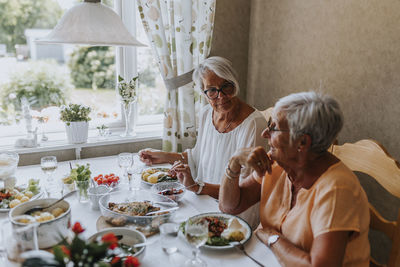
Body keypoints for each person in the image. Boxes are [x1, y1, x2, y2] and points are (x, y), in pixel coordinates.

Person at [219, 92, 370, 266]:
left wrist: (272, 238)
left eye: (274, 128)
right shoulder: (277, 163)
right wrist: (234, 162)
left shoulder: (337, 189)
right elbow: (230, 206)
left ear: (302, 143)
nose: (264, 133)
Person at [139, 56, 267, 228]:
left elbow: (244, 190)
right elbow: (198, 157)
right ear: (203, 93)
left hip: (234, 216)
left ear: (234, 84)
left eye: (226, 87)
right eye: (212, 91)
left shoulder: (254, 123)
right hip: (202, 202)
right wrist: (162, 156)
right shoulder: (207, 114)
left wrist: (197, 187)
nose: (221, 96)